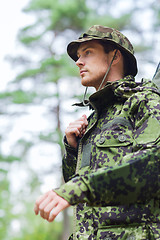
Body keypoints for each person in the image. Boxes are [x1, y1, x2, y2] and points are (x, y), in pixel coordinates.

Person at [34, 25, 160, 240]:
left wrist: (78, 188)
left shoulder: (144, 101)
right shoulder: (94, 121)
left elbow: (153, 166)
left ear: (115, 55)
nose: (78, 62)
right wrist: (72, 150)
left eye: (88, 52)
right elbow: (81, 194)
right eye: (78, 56)